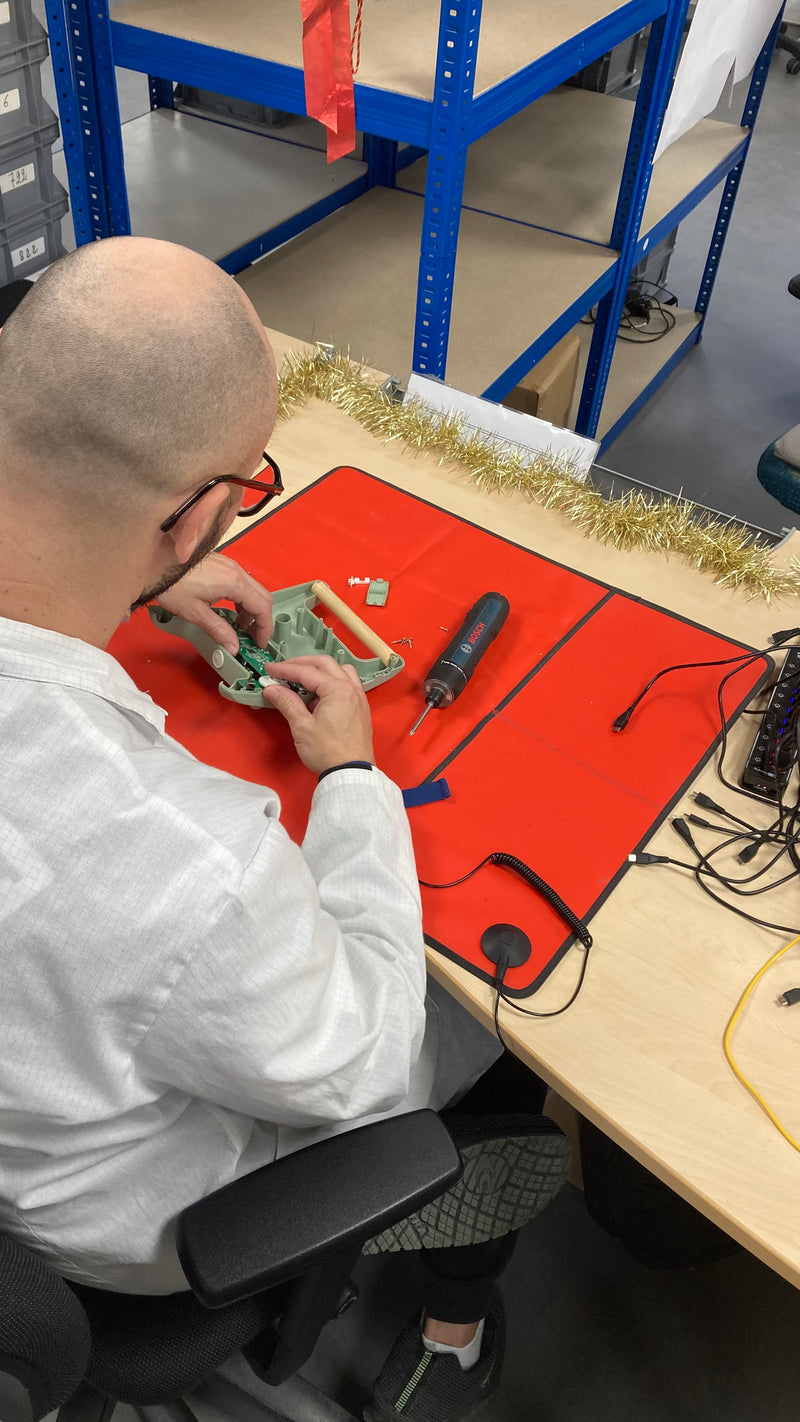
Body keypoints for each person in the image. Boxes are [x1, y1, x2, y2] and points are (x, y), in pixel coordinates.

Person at [0, 239, 567, 1421]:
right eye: (241, 495)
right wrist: (353, 777)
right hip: (128, 1231)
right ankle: (452, 1317)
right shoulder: (185, 855)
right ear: (202, 512)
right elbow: (361, 1066)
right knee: (495, 1009)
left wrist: (128, 565)